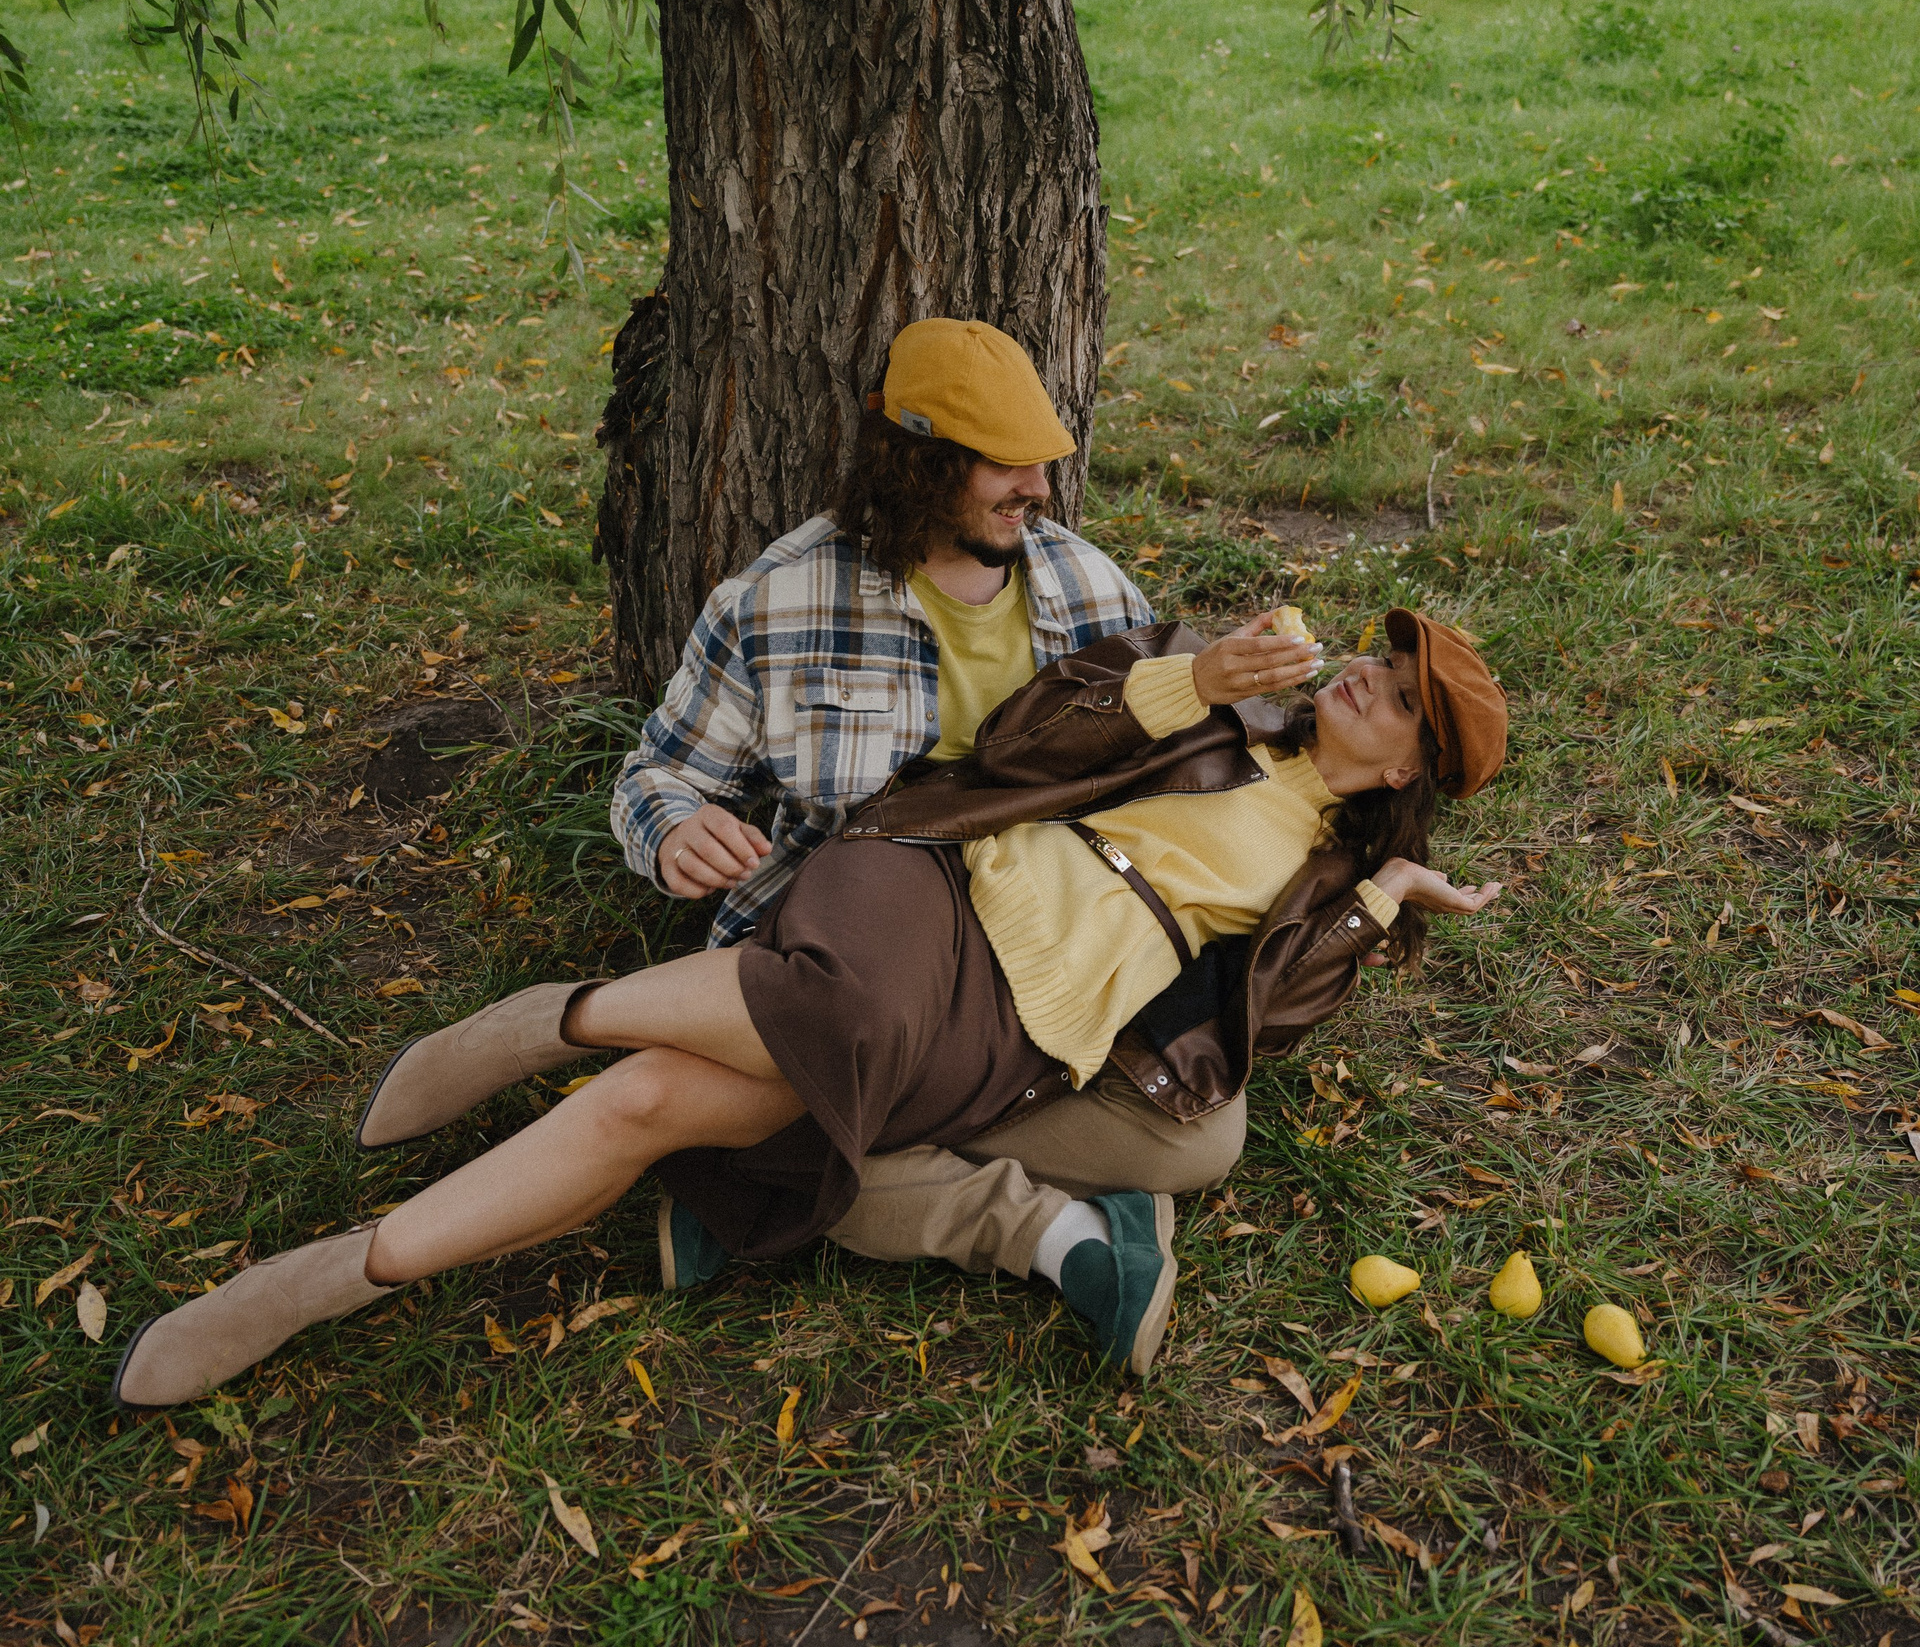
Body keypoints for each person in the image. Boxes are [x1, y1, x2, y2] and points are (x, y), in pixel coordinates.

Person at [113, 605, 1506, 1409]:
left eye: (1392, 700)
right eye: (1375, 663)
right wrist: (1190, 679)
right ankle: (544, 1031)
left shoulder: (1334, 881)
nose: (1360, 679)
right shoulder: (1228, 697)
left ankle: (346, 1259)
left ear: (1405, 772)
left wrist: (1383, 900)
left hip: (1019, 1027)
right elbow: (1022, 742)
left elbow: (1269, 1022)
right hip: (940, 889)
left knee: (652, 1101)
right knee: (843, 1016)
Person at [352, 315, 1233, 1302]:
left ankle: (747, 1158)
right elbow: (658, 778)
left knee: (1198, 1140)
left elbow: (1163, 780)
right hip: (842, 951)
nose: (1038, 487)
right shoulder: (782, 601)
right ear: (917, 460)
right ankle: (1024, 1223)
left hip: (1030, 949)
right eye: (1004, 464)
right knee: (857, 1046)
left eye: (1041, 461)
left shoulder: (1089, 592)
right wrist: (676, 832)